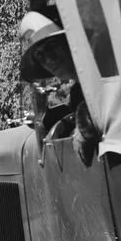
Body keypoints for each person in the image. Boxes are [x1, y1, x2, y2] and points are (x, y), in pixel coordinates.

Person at [19, 9, 100, 166]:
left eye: (52, 46)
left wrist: (84, 124)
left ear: (70, 41)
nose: (49, 59)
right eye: (40, 56)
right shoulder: (77, 92)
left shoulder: (105, 77)